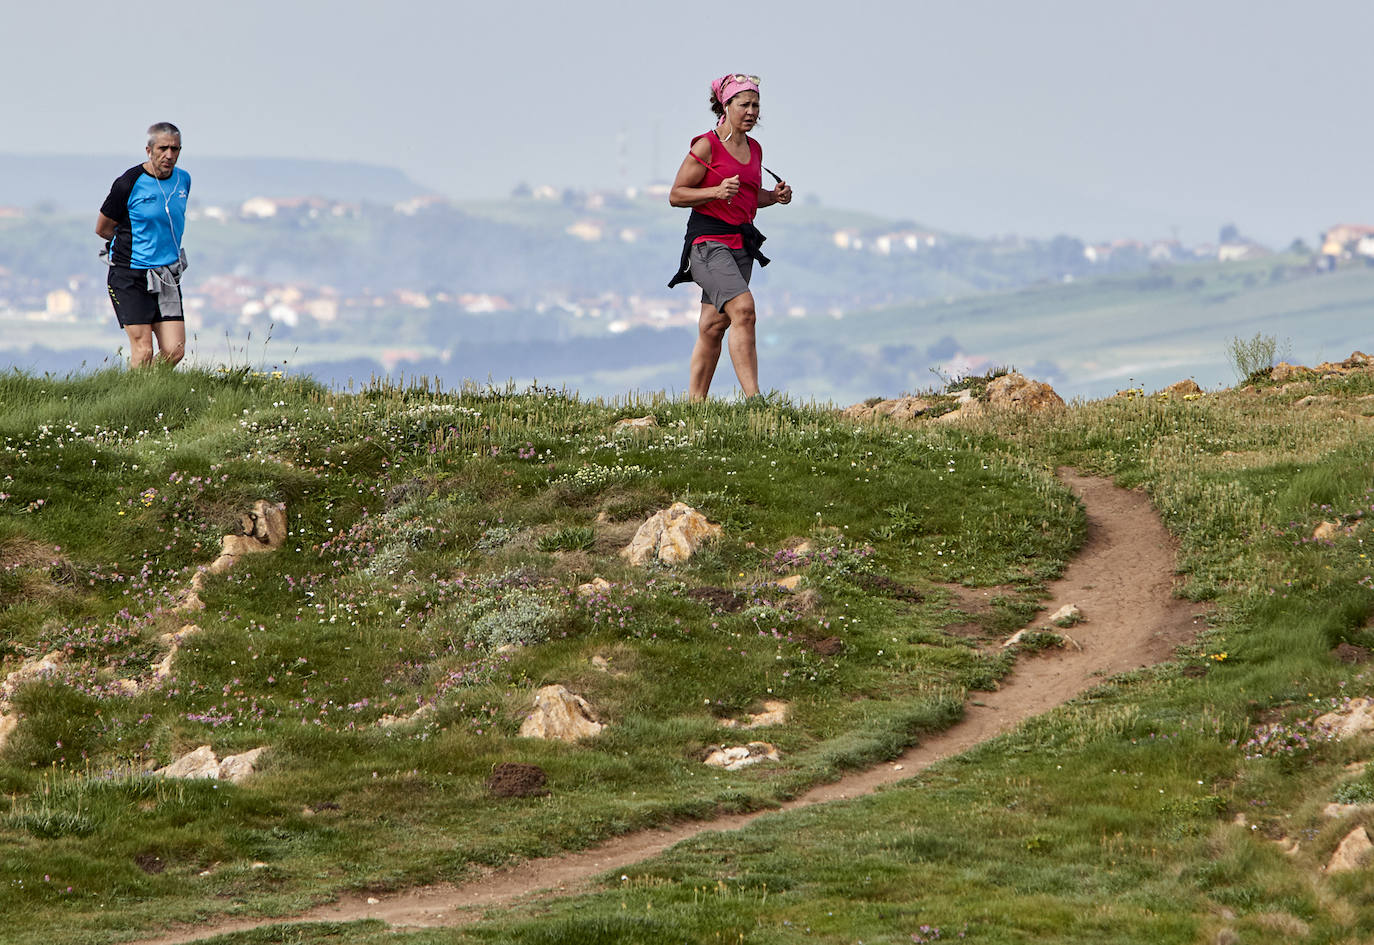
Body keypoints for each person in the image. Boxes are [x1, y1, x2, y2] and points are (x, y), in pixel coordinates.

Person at [669, 73, 791, 400]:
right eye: (744, 104)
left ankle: (693, 406)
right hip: (707, 243)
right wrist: (716, 191)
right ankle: (755, 402)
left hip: (742, 244)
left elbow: (748, 199)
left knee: (713, 326)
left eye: (756, 105)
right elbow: (677, 195)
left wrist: (774, 196)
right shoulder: (706, 146)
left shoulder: (755, 149)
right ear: (726, 105)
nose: (752, 111)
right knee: (745, 311)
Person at [96, 122, 191, 367]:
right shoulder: (129, 182)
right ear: (149, 150)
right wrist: (132, 248)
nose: (169, 155)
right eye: (163, 148)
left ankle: (149, 390)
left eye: (175, 149)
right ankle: (135, 400)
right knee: (143, 351)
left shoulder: (183, 180)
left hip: (166, 274)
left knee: (175, 350)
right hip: (129, 274)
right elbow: (103, 228)